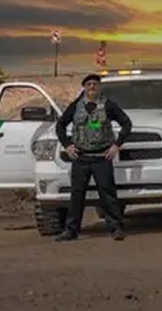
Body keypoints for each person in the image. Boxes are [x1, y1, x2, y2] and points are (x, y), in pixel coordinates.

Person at [54, 73, 133, 241]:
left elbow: (127, 124)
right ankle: (71, 230)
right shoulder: (76, 106)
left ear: (99, 87)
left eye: (95, 84)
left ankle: (116, 228)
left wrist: (116, 145)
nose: (92, 87)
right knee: (77, 195)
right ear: (84, 87)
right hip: (80, 158)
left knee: (108, 194)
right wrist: (67, 145)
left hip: (101, 157)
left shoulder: (108, 105)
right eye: (88, 84)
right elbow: (60, 125)